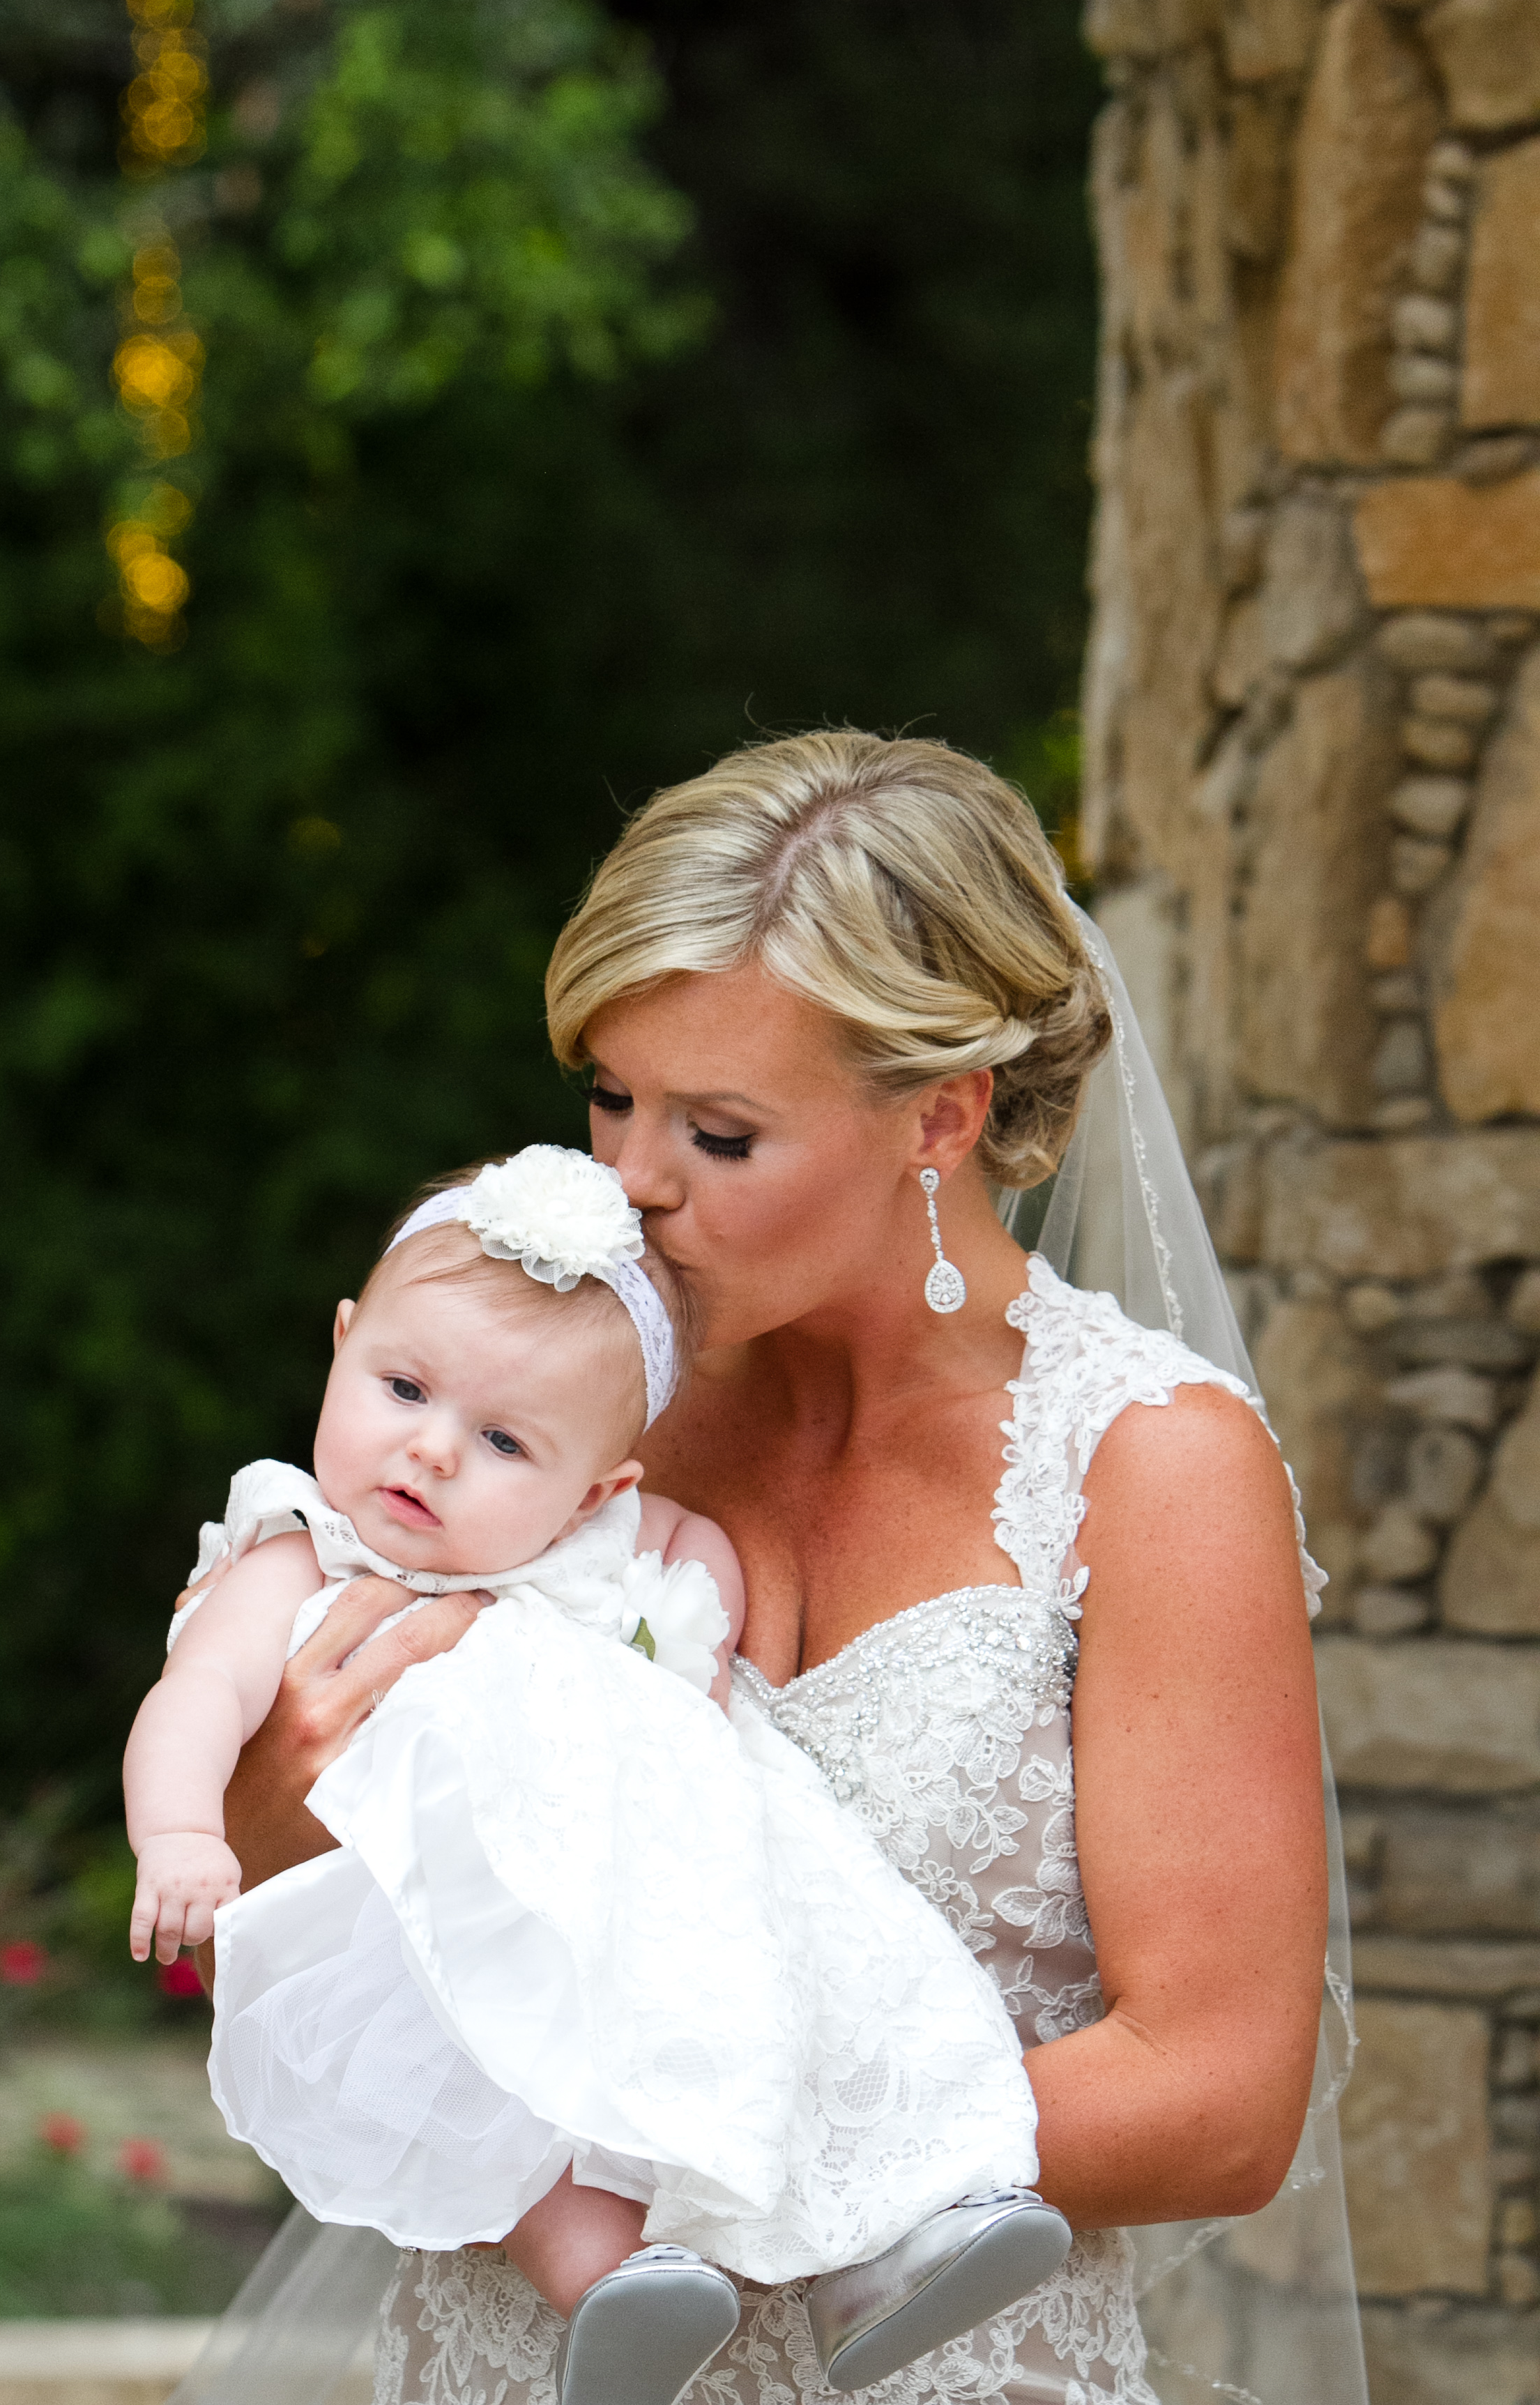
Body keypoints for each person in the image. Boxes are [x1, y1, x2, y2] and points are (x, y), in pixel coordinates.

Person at [189, 732, 1352, 2405]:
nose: (630, 1183)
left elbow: (1222, 2104)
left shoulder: (1147, 1465)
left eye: (720, 1135)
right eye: (611, 1096)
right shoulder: (550, 1419)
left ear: (940, 1115)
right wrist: (270, 1798)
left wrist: (690, 2161)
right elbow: (304, 1914)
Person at [131, 1140, 1073, 2405]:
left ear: (593, 1495)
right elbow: (197, 1696)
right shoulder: (303, 1553)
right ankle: (619, 2292)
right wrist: (180, 1832)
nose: (432, 1451)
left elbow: (692, 1568)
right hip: (443, 1928)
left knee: (837, 1964)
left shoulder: (581, 1554)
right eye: (403, 1387)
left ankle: (919, 2225)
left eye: (504, 1440)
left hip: (638, 1898)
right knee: (513, 2104)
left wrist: (690, 1650)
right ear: (344, 1341)